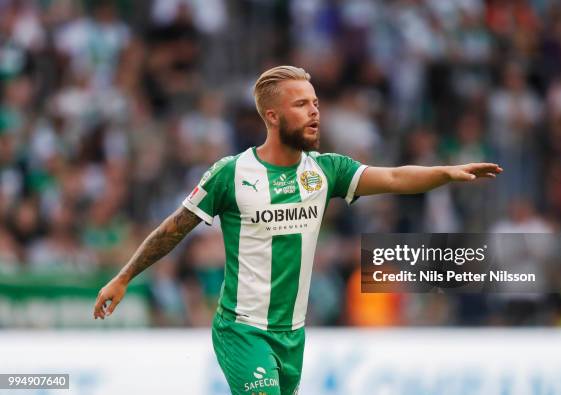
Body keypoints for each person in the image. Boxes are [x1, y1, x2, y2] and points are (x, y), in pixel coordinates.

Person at [93, 65, 502, 394]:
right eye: (301, 104)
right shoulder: (232, 173)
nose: (314, 112)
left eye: (316, 103)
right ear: (272, 116)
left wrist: (446, 172)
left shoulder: (325, 171)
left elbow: (394, 178)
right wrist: (123, 277)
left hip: (292, 336)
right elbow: (173, 229)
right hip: (242, 330)